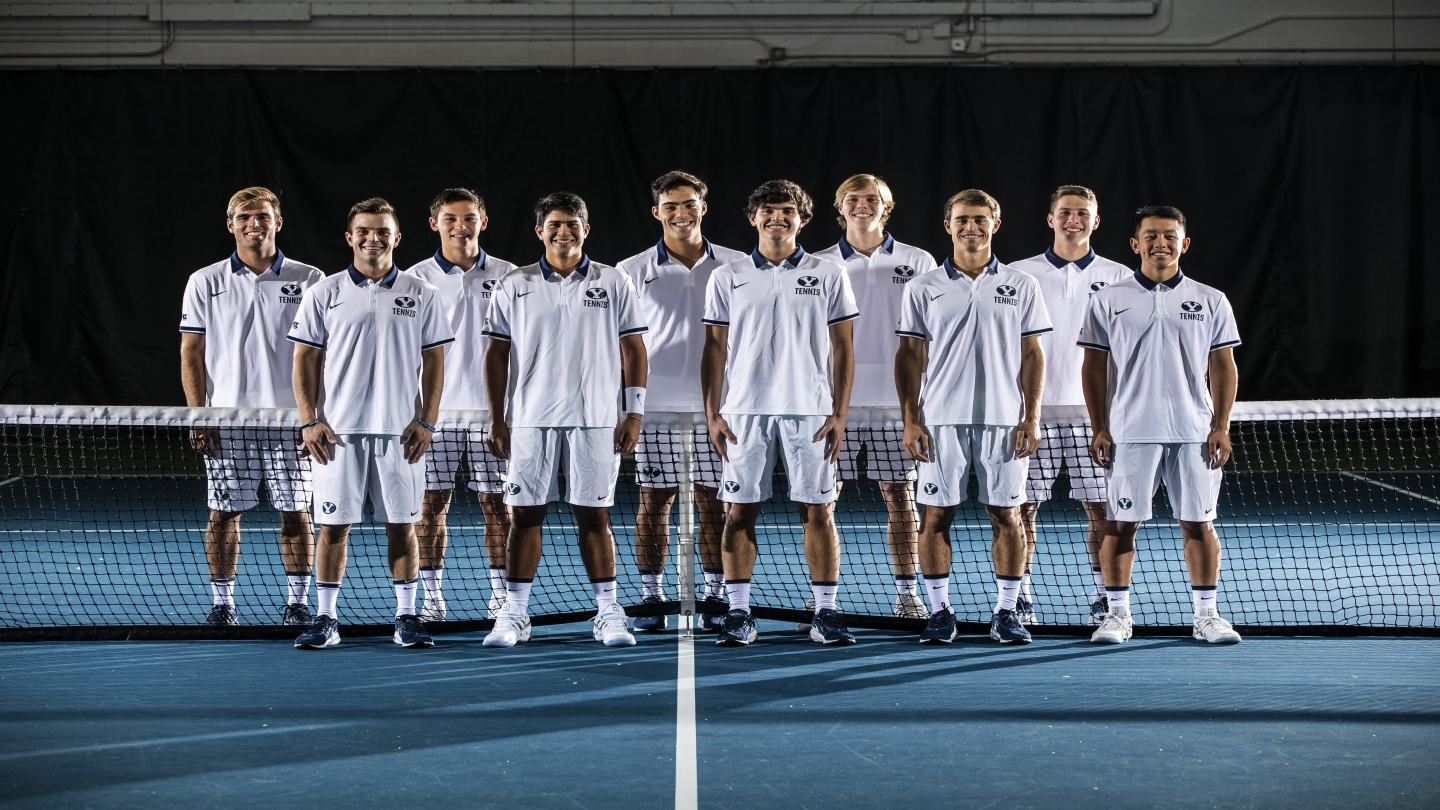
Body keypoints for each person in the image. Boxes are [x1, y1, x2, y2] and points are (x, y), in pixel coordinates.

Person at [480, 192, 649, 649]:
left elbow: (633, 350)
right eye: (554, 224)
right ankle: (514, 613)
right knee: (524, 516)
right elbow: (496, 354)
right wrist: (498, 417)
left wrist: (633, 411)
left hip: (596, 419)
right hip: (530, 420)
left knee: (594, 516)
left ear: (585, 229)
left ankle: (608, 611)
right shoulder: (514, 283)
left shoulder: (614, 282)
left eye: (572, 224)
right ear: (540, 231)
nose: (563, 232)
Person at [288, 198, 454, 650]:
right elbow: (304, 358)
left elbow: (435, 362)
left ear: (396, 238)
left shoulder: (423, 294)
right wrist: (310, 420)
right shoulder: (324, 292)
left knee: (403, 525)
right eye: (364, 230)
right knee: (333, 527)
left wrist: (427, 420)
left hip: (402, 434)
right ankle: (325, 620)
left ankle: (406, 617)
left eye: (382, 230)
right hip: (336, 434)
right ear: (350, 237)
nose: (373, 238)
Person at [702, 179, 860, 648]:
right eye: (767, 211)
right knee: (738, 511)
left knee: (818, 511)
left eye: (787, 211)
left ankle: (825, 613)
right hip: (743, 412)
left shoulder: (828, 272)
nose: (777, 218)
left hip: (810, 410)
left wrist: (839, 412)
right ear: (752, 218)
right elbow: (713, 348)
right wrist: (714, 413)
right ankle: (738, 613)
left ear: (803, 219)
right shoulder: (726, 275)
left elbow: (844, 346)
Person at [1079, 205, 1243, 646]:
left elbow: (1223, 367)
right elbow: (1094, 368)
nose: (1160, 243)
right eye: (1151, 236)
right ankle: (1116, 616)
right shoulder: (1107, 299)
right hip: (1130, 431)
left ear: (1184, 244)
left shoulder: (1211, 299)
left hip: (1194, 433)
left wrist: (1220, 425)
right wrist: (1100, 426)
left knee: (1199, 523)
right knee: (1119, 524)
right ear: (1136, 244)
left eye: (1170, 236)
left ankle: (1207, 616)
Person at [896, 189, 1051, 646]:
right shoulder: (922, 286)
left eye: (981, 220)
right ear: (948, 225)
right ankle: (941, 612)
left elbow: (1032, 353)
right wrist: (911, 418)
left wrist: (1031, 415)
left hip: (1005, 422)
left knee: (1008, 514)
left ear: (994, 225)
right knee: (935, 517)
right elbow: (908, 355)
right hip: (940, 420)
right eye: (962, 219)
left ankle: (1006, 612)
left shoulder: (1022, 285)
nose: (971, 227)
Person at [179, 187, 323, 627]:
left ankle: (298, 603)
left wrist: (314, 419)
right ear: (231, 224)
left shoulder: (311, 278)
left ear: (278, 222)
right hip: (227, 422)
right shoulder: (204, 281)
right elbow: (191, 353)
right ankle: (223, 605)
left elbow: (324, 355)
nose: (253, 223)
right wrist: (199, 415)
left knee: (297, 513)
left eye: (262, 216)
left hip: (292, 422)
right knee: (223, 514)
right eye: (244, 217)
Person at [617, 172, 746, 633]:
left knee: (715, 504)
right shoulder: (629, 271)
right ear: (656, 212)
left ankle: (714, 596)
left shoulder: (737, 265)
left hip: (722, 410)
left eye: (688, 204)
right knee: (654, 502)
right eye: (670, 206)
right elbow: (620, 344)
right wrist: (628, 407)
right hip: (655, 411)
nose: (679, 213)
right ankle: (652, 598)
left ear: (703, 208)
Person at [814, 174, 937, 623]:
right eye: (853, 199)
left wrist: (918, 406)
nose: (862, 206)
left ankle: (908, 595)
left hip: (897, 405)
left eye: (872, 199)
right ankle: (821, 598)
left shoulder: (918, 260)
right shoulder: (818, 263)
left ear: (888, 207)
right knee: (821, 502)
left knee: (901, 499)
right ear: (839, 207)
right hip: (833, 406)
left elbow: (928, 334)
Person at [1009, 185, 1132, 626]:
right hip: (1032, 414)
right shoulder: (1018, 275)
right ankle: (1019, 598)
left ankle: (1104, 599)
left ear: (1095, 221)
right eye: (1065, 212)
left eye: (1082, 213)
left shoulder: (1122, 277)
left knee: (1102, 509)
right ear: (1050, 218)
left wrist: (1116, 415)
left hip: (1095, 418)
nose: (1073, 220)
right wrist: (1023, 410)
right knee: (1022, 508)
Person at [403, 188, 519, 622]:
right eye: (450, 218)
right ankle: (431, 598)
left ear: (482, 222)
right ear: (435, 224)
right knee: (430, 506)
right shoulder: (413, 278)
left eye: (469, 217)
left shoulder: (511, 276)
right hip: (433, 417)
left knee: (498, 507)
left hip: (495, 417)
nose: (460, 225)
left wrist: (504, 414)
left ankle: (502, 595)